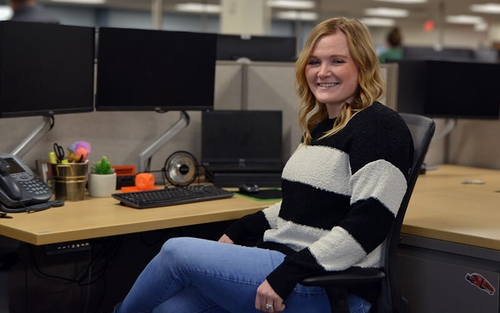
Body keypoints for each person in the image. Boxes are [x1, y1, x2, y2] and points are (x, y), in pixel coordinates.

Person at [114, 16, 413, 313]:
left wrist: (288, 274)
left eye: (337, 61)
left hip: (325, 284)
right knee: (169, 311)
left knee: (175, 252)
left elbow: (368, 224)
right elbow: (301, 206)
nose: (322, 72)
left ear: (362, 65)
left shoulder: (380, 127)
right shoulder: (324, 125)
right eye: (314, 62)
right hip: (287, 263)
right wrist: (242, 228)